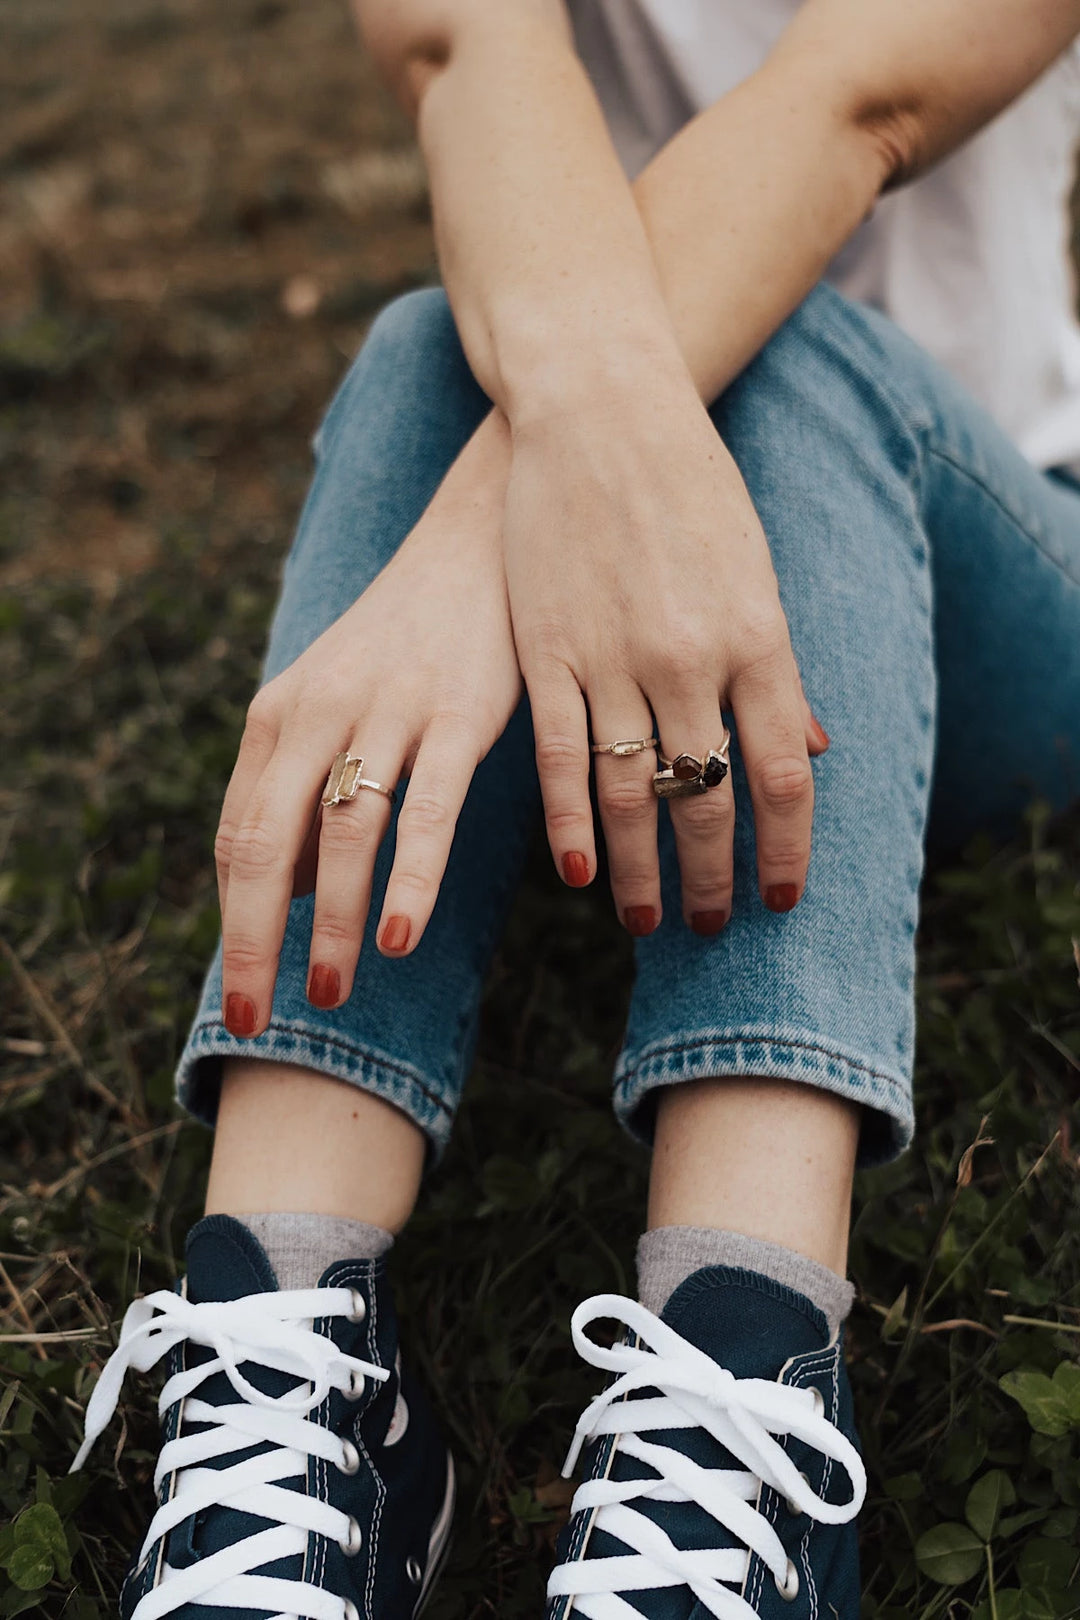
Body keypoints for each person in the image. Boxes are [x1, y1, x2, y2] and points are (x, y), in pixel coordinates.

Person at [70, 1, 1080, 1616]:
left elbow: (852, 108)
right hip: (582, 608)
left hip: (982, 570)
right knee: (431, 339)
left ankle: (742, 1368)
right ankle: (287, 1356)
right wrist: (575, 473)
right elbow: (469, 51)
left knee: (783, 332)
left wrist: (477, 550)